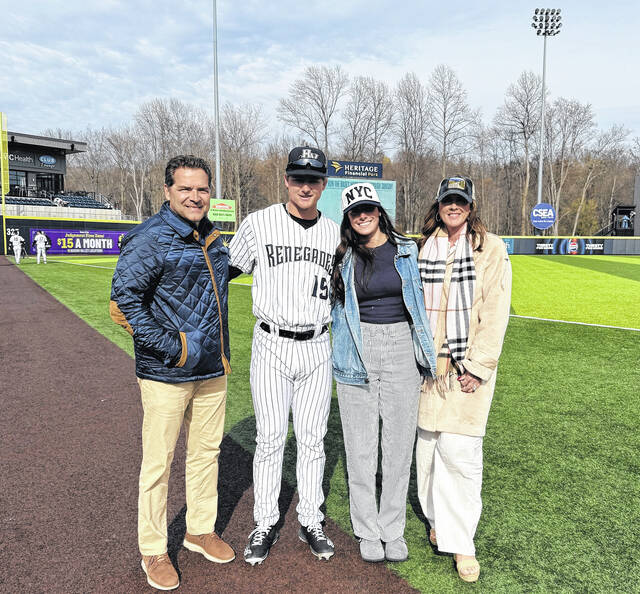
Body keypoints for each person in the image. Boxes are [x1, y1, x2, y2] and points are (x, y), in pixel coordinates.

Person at [110, 155, 234, 591]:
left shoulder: (211, 237)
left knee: (206, 455)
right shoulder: (150, 238)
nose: (195, 196)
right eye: (185, 189)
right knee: (158, 465)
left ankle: (199, 530)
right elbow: (124, 304)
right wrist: (175, 349)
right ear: (167, 191)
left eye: (202, 189)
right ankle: (153, 549)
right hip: (167, 373)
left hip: (212, 370)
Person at [228, 146, 340, 565]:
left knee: (312, 441)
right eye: (298, 177)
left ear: (324, 184)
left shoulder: (335, 233)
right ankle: (264, 522)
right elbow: (222, 272)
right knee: (271, 439)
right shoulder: (259, 223)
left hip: (317, 346)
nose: (305, 185)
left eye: (313, 179)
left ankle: (310, 519)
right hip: (271, 344)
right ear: (286, 181)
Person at [330, 183, 436, 563]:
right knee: (360, 448)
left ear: (379, 210)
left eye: (368, 208)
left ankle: (392, 528)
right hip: (356, 350)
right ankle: (367, 529)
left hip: (401, 349)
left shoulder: (407, 249)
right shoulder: (341, 255)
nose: (363, 215)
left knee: (397, 446)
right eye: (355, 210)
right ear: (348, 216)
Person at [415, 176, 511, 583]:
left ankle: (462, 542)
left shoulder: (490, 248)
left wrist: (478, 365)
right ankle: (438, 519)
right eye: (448, 201)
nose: (454, 207)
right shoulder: (422, 246)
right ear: (439, 204)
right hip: (425, 366)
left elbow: (496, 311)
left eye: (461, 201)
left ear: (471, 206)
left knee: (460, 454)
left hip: (464, 367)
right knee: (427, 450)